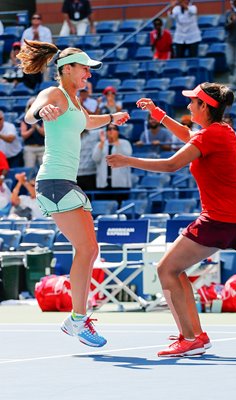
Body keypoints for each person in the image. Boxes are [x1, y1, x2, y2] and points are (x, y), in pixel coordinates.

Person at [107, 82, 236, 357]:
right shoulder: (220, 131)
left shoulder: (211, 136)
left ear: (204, 107)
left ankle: (189, 338)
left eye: (193, 102)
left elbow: (171, 164)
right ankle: (197, 336)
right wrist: (158, 114)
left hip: (219, 219)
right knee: (175, 270)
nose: (188, 105)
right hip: (226, 218)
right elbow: (187, 134)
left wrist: (128, 160)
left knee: (165, 269)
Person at [16, 39, 129, 347]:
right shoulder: (55, 93)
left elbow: (87, 121)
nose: (88, 75)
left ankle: (76, 319)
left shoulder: (76, 102)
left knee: (89, 250)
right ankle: (77, 320)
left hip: (65, 183)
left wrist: (111, 118)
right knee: (88, 250)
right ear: (67, 70)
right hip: (54, 182)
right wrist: (42, 111)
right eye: (84, 69)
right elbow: (30, 115)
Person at [92, 123, 132, 204]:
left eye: (114, 129)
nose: (111, 131)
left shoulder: (124, 143)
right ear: (106, 132)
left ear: (118, 132)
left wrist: (117, 143)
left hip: (120, 184)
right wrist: (102, 144)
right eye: (109, 129)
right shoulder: (100, 144)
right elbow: (95, 159)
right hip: (103, 184)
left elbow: (127, 156)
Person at [20, 97, 45, 168]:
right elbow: (23, 135)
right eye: (30, 106)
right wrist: (32, 129)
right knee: (29, 170)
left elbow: (45, 133)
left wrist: (36, 126)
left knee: (45, 170)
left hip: (42, 147)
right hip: (30, 148)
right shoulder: (25, 119)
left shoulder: (43, 118)